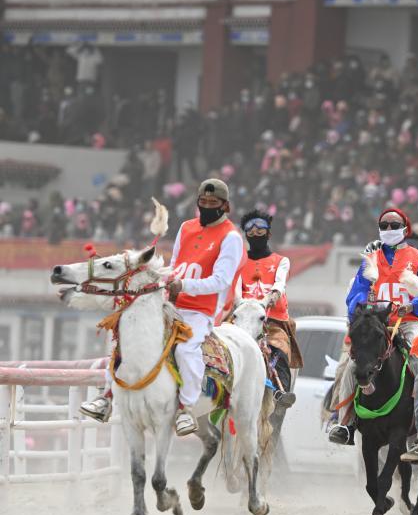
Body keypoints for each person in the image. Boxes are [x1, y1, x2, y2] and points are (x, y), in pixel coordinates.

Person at [80, 179, 245, 437]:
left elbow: (221, 280)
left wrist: (184, 285)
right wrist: (161, 279)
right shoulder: (186, 227)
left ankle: (185, 409)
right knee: (129, 335)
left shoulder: (231, 237)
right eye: (203, 202)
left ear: (225, 206)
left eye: (213, 203)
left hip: (200, 310)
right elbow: (176, 264)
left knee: (186, 350)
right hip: (171, 302)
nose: (207, 206)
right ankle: (107, 397)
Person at [328, 208, 418, 447]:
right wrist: (363, 309)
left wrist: (412, 306)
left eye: (394, 225)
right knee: (349, 366)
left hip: (407, 322)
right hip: (376, 324)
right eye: (384, 225)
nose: (388, 229)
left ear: (405, 229)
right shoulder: (370, 259)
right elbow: (356, 293)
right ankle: (344, 423)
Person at [235, 209, 303, 407]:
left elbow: (279, 284)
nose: (255, 234)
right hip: (242, 319)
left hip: (273, 321)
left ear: (269, 234)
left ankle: (281, 393)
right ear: (246, 235)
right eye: (251, 231)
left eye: (260, 231)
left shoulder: (281, 261)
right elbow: (236, 288)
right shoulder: (239, 262)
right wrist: (241, 302)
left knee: (279, 348)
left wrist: (272, 296)